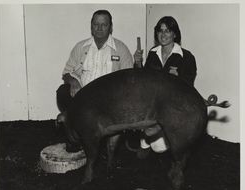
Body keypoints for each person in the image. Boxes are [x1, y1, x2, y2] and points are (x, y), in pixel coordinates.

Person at [56, 10, 133, 151]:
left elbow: (129, 81)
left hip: (110, 101)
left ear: (110, 27)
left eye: (104, 25)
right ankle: (73, 134)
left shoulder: (121, 49)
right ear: (91, 26)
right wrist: (73, 81)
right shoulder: (81, 47)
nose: (99, 28)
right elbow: (66, 72)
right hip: (83, 98)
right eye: (96, 24)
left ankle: (106, 139)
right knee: (62, 91)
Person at [134, 16, 197, 158]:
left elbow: (189, 89)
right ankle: (145, 142)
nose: (163, 35)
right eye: (160, 31)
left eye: (168, 31)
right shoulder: (152, 53)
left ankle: (153, 137)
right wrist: (138, 63)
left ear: (175, 34)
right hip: (151, 105)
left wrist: (178, 79)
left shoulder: (187, 57)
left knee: (158, 148)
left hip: (173, 106)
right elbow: (143, 80)